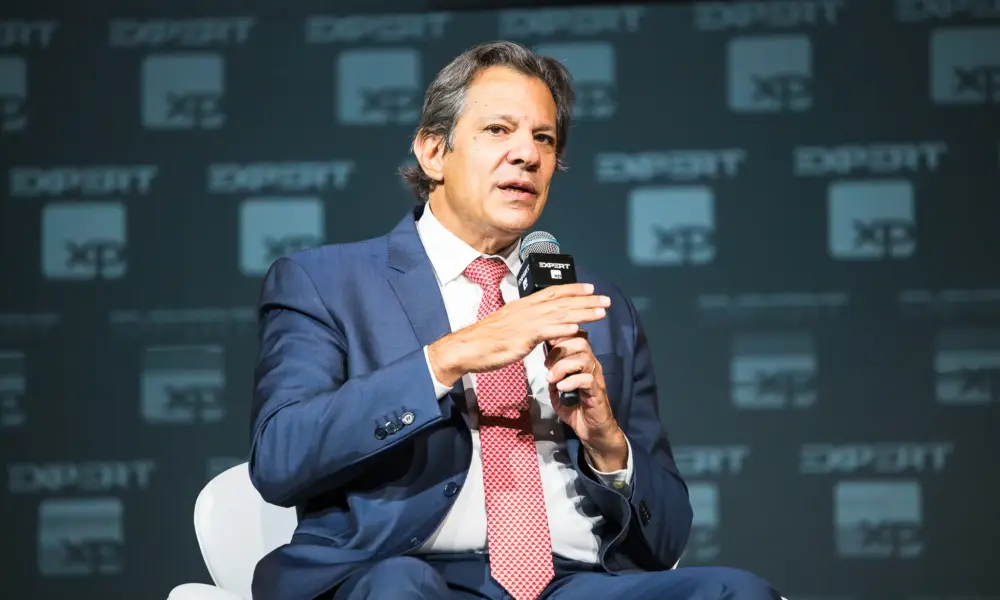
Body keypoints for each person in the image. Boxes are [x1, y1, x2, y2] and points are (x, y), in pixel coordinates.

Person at [249, 40, 783, 600]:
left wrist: (608, 447)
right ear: (434, 152)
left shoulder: (596, 306)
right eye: (499, 130)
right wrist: (446, 358)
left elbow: (665, 539)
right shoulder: (326, 281)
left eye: (544, 139)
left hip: (571, 584)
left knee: (734, 592)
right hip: (406, 571)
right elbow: (281, 457)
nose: (527, 154)